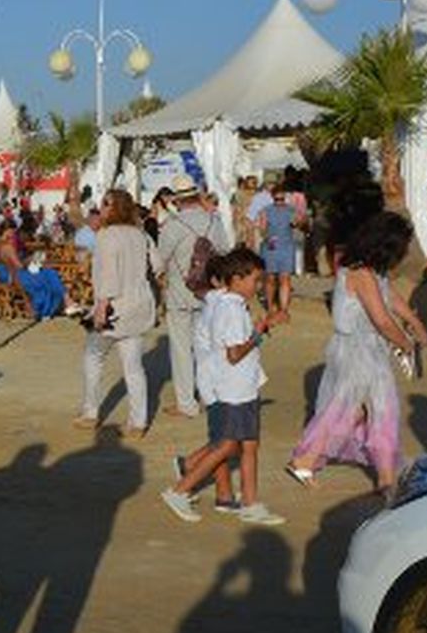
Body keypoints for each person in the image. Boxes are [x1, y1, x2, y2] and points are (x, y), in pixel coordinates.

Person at [288, 212, 427, 495]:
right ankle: (384, 480)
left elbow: (389, 296)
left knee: (357, 411)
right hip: (358, 349)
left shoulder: (370, 270)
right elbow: (382, 319)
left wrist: (414, 321)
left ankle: (312, 462)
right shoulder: (361, 273)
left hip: (363, 347)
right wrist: (405, 343)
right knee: (377, 409)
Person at [160, 248, 285, 525]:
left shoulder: (225, 302)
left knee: (248, 444)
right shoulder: (229, 309)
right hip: (232, 386)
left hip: (240, 384)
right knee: (228, 445)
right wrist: (261, 330)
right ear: (237, 279)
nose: (259, 285)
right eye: (255, 280)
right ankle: (180, 489)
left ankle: (248, 502)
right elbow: (234, 354)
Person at [76, 190, 157, 437]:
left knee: (93, 356)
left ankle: (91, 412)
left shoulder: (107, 235)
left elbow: (108, 275)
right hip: (139, 305)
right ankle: (138, 421)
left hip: (114, 307)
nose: (101, 207)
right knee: (133, 366)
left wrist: (101, 307)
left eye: (106, 203)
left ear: (116, 208)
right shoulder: (140, 234)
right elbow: (158, 264)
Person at [152, 177, 230, 419]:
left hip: (180, 293)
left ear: (177, 200)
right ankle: (211, 395)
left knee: (181, 350)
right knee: (206, 347)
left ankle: (186, 403)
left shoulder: (172, 225)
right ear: (197, 196)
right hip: (209, 292)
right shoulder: (214, 221)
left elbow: (160, 259)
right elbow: (225, 251)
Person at [0, 229, 74, 320]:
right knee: (48, 275)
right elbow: (19, 266)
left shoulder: (0, 247)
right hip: (15, 276)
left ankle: (64, 301)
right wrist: (31, 261)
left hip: (13, 275)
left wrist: (31, 261)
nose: (15, 239)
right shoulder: (7, 248)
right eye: (13, 237)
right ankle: (60, 303)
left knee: (48, 273)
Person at [257, 180, 304, 315]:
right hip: (271, 247)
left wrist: (299, 221)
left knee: (285, 278)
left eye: (282, 199)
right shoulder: (265, 211)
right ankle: (271, 306)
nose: (279, 202)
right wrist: (267, 237)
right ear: (272, 197)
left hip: (286, 246)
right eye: (277, 199)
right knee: (270, 278)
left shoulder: (291, 210)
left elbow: (299, 225)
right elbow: (262, 229)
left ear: (285, 197)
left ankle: (283, 309)